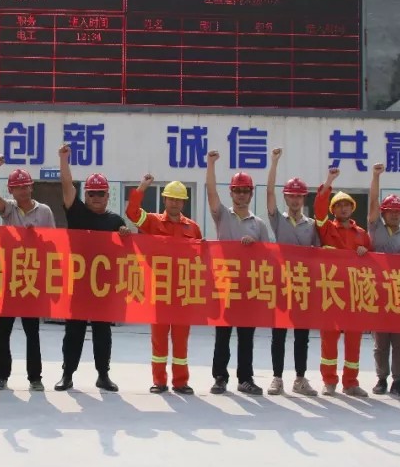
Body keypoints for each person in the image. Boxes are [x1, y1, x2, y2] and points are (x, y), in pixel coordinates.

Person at [55, 143, 128, 392]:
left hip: (103, 287)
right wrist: (64, 160)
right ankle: (67, 374)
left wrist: (125, 236)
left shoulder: (115, 221)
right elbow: (66, 186)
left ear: (108, 196)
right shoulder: (76, 213)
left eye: (101, 193)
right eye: (92, 193)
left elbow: (126, 254)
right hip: (78, 284)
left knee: (102, 332)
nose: (96, 197)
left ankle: (103, 375)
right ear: (85, 195)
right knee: (73, 332)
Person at [125, 173, 202, 395]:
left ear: (184, 202)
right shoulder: (152, 222)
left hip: (183, 292)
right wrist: (142, 187)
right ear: (164, 200)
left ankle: (181, 382)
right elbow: (132, 213)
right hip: (159, 291)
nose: (174, 203)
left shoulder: (193, 228)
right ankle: (159, 381)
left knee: (181, 341)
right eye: (171, 199)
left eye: (178, 200)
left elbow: (201, 258)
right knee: (159, 340)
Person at [0, 155, 55, 391]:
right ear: (11, 191)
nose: (22, 191)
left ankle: (35, 378)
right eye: (17, 188)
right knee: (2, 332)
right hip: (7, 278)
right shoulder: (9, 210)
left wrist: (38, 237)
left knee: (32, 331)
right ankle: (1, 376)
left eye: (25, 186)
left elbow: (53, 243)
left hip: (31, 278)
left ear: (31, 187)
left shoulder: (44, 211)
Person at [206, 150, 270, 396]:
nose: (241, 195)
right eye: (237, 190)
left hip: (248, 286)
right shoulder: (223, 215)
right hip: (225, 283)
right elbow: (211, 194)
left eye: (245, 191)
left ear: (251, 194)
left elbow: (267, 257)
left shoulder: (259, 224)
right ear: (231, 193)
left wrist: (255, 247)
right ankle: (220, 377)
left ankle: (245, 378)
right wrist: (211, 165)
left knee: (246, 336)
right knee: (222, 333)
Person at [264, 148, 319, 397]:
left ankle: (300, 378)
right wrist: (274, 163)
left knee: (302, 336)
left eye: (299, 196)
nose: (295, 200)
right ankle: (277, 378)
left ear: (304, 199)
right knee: (278, 334)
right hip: (281, 283)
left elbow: (319, 255)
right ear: (285, 198)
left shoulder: (313, 225)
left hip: (303, 286)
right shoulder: (278, 220)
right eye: (291, 196)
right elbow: (269, 193)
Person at [314, 167, 372, 397]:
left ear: (352, 208)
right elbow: (319, 209)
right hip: (332, 292)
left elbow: (373, 264)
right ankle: (329, 381)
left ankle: (351, 382)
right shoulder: (326, 228)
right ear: (333, 210)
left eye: (346, 205)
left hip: (355, 294)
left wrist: (365, 252)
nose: (343, 208)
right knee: (329, 339)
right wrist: (329, 181)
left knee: (354, 341)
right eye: (338, 205)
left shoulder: (362, 234)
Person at [367, 163, 400, 398]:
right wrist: (375, 176)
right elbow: (372, 201)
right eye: (389, 211)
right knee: (380, 342)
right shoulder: (375, 228)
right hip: (378, 294)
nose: (394, 214)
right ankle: (381, 379)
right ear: (383, 213)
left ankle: (398, 380)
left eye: (398, 211)